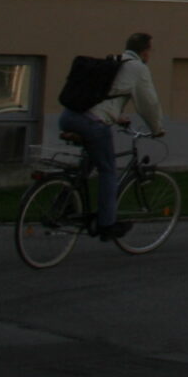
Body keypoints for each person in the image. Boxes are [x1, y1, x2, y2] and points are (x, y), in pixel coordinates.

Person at [58, 32, 166, 240]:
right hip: (91, 123)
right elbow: (148, 103)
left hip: (69, 116)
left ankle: (64, 204)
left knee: (89, 162)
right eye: (151, 50)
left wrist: (117, 117)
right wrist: (157, 128)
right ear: (145, 51)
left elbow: (103, 98)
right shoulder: (138, 68)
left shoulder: (114, 62)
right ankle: (107, 224)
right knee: (108, 170)